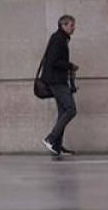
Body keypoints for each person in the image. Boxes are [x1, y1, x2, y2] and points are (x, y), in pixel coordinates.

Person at [41, 14, 80, 156]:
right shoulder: (58, 39)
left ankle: (56, 146)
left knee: (63, 112)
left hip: (57, 80)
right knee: (71, 109)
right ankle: (50, 139)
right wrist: (70, 66)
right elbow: (53, 61)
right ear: (63, 25)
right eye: (71, 25)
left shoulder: (61, 38)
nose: (74, 28)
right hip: (56, 81)